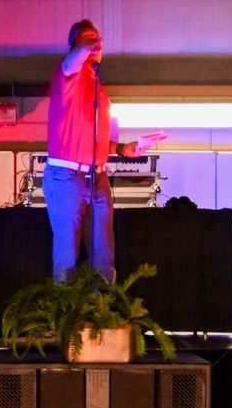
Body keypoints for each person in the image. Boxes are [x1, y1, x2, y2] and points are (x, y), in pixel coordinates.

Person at [42, 19, 163, 280]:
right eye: (87, 39)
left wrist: (123, 148)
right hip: (66, 177)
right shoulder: (69, 76)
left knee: (104, 255)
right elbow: (71, 62)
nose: (96, 44)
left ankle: (102, 314)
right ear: (75, 45)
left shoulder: (100, 90)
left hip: (97, 177)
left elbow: (96, 140)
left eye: (98, 40)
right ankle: (66, 318)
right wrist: (86, 47)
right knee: (67, 257)